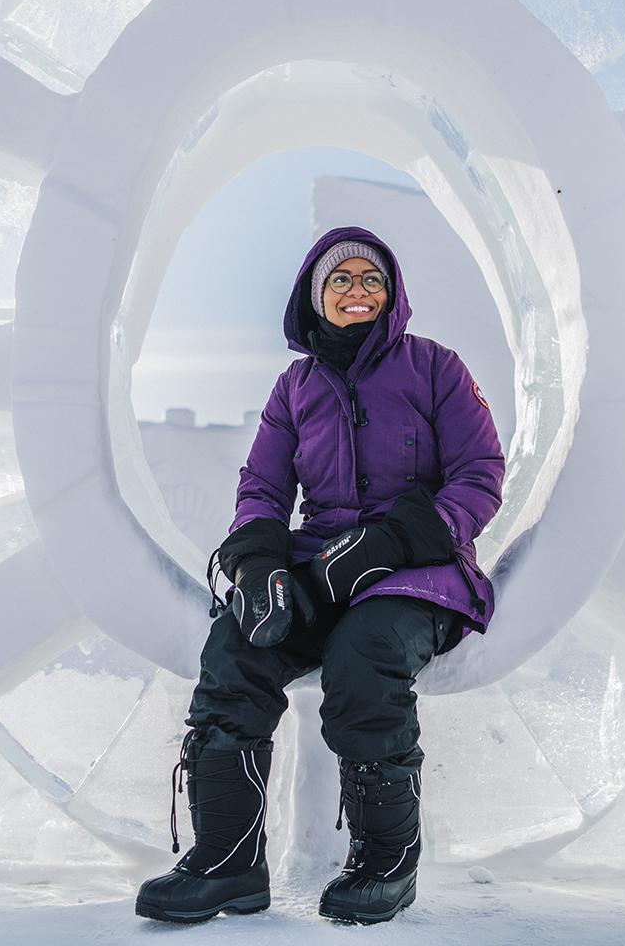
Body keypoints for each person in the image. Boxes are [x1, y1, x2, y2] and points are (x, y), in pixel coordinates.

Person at [136, 226, 505, 925]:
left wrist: (396, 538)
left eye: (372, 280)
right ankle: (228, 861)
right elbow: (262, 487)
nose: (357, 291)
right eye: (341, 281)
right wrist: (258, 565)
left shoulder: (435, 368)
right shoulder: (294, 387)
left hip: (417, 575)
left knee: (365, 655)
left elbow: (480, 475)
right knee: (236, 651)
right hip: (319, 568)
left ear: (391, 296)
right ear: (316, 297)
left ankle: (385, 862)